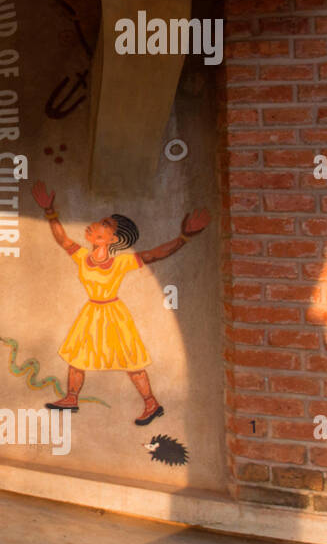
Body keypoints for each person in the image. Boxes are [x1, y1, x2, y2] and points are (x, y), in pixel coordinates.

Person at [30, 180, 210, 425]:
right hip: (92, 312)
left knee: (131, 360)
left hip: (113, 314)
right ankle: (72, 397)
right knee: (77, 357)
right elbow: (62, 239)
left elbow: (156, 253)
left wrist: (184, 237)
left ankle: (151, 403)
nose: (95, 225)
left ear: (112, 238)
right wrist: (49, 212)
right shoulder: (83, 257)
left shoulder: (120, 262)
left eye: (104, 225)